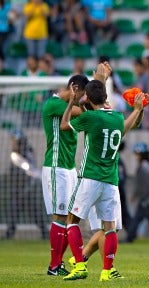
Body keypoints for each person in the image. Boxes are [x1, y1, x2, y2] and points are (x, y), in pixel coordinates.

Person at [60, 79, 146, 281]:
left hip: (90, 177)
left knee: (72, 221)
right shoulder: (117, 117)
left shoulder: (90, 118)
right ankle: (107, 270)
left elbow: (64, 125)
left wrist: (72, 102)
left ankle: (80, 266)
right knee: (109, 228)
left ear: (87, 98)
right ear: (106, 98)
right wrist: (138, 109)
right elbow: (127, 126)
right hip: (111, 180)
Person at [41, 72, 90, 276]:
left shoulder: (72, 104)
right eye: (82, 95)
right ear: (73, 88)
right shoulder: (53, 104)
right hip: (56, 167)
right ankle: (54, 266)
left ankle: (57, 264)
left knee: (69, 216)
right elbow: (84, 113)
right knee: (59, 215)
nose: (82, 100)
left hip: (69, 168)